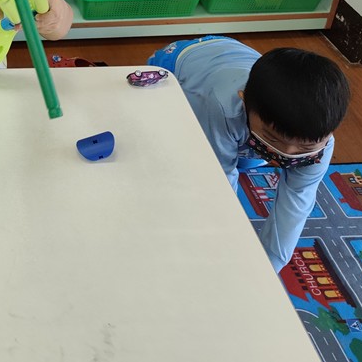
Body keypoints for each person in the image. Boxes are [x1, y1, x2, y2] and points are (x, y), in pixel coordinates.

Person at [148, 35, 350, 272]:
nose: (286, 154)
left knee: (247, 156)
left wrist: (269, 268)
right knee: (178, 161)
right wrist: (220, 245)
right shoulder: (222, 106)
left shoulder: (322, 144)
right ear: (244, 104)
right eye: (273, 139)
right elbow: (219, 185)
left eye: (305, 149)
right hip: (176, 66)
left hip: (236, 74)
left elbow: (298, 199)